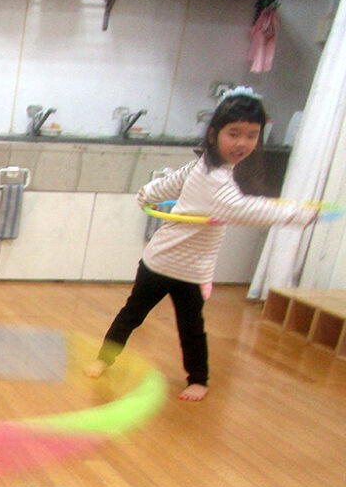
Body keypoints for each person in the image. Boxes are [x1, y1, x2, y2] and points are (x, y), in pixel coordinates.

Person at [85, 88, 318, 401]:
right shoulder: (212, 176)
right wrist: (298, 214)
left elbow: (216, 199)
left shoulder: (212, 169)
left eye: (251, 136)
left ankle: (197, 379)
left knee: (189, 326)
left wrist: (147, 194)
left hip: (190, 270)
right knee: (135, 314)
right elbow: (245, 209)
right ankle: (106, 359)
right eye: (234, 134)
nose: (242, 143)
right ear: (213, 134)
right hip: (161, 262)